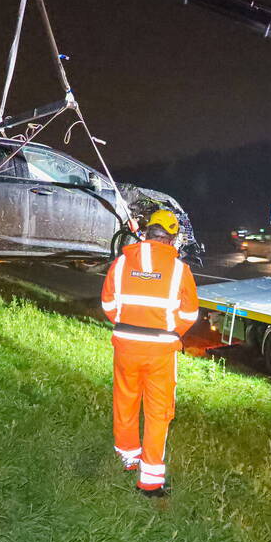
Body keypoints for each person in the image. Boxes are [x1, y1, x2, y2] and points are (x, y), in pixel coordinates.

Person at [100, 210, 199, 497]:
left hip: (126, 346)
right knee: (158, 413)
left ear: (147, 233)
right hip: (160, 351)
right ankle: (151, 480)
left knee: (125, 401)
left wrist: (129, 323)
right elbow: (190, 313)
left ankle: (128, 458)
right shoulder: (180, 270)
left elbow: (108, 305)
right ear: (171, 239)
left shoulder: (121, 263)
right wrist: (171, 330)